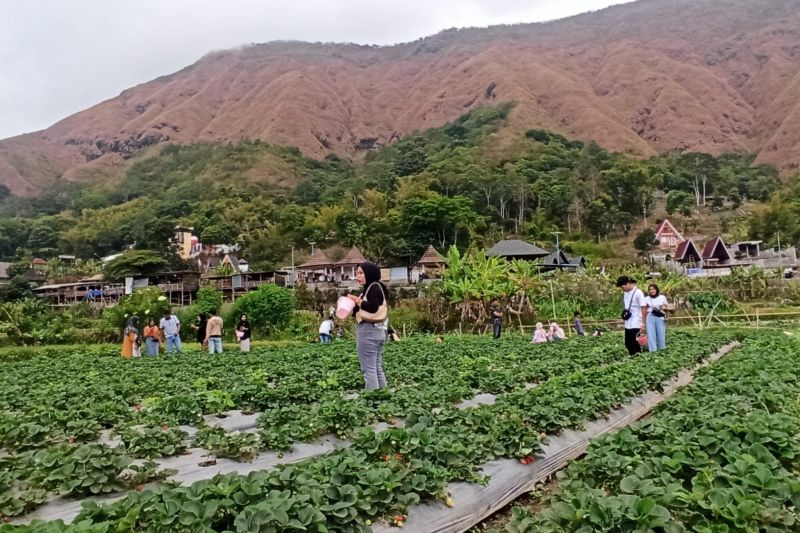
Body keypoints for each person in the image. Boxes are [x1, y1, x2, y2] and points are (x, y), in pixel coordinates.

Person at [346, 261, 388, 390]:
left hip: (369, 333)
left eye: (360, 273)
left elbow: (373, 308)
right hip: (378, 332)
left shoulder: (374, 287)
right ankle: (384, 398)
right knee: (376, 367)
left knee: (368, 370)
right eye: (356, 273)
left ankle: (372, 403)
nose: (357, 276)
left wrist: (357, 300)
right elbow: (361, 311)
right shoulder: (375, 287)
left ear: (369, 273)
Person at [616, 275, 647, 356]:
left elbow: (643, 308)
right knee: (628, 343)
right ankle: (633, 358)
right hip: (628, 321)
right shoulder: (625, 292)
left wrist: (643, 324)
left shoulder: (638, 292)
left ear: (628, 284)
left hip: (636, 322)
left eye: (623, 287)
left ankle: (637, 359)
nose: (622, 289)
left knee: (634, 344)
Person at [644, 283, 668, 352]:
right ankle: (652, 351)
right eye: (650, 289)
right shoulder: (646, 299)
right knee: (651, 334)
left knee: (661, 334)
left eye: (653, 289)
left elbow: (666, 307)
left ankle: (662, 349)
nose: (652, 291)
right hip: (650, 316)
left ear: (656, 290)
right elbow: (644, 309)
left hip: (660, 317)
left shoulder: (662, 297)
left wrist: (663, 307)